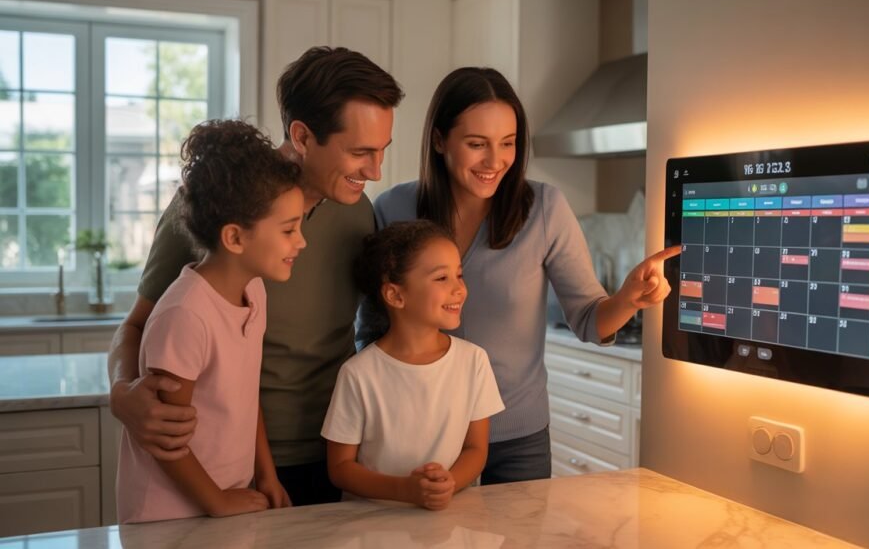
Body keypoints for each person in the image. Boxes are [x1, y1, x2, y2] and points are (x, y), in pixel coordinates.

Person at [108, 47, 404, 506]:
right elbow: (137, 326)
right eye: (360, 152)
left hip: (339, 448)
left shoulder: (359, 212)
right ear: (302, 136)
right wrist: (122, 392)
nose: (375, 170)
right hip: (225, 461)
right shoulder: (216, 209)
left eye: (383, 150)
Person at [361, 67, 678, 484]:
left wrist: (627, 299)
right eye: (477, 144)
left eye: (508, 143)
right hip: (417, 433)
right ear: (439, 140)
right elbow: (372, 330)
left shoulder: (544, 208)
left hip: (515, 441)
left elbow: (589, 319)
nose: (495, 161)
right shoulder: (392, 208)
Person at [117, 120, 306, 523]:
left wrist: (266, 475)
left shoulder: (255, 291)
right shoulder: (185, 314)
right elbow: (167, 437)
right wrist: (216, 501)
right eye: (289, 229)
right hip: (167, 516)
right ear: (235, 238)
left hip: (223, 502)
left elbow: (245, 397)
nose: (301, 241)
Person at [323, 220, 504, 509]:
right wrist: (405, 490)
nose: (459, 289)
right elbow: (341, 468)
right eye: (441, 278)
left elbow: (476, 448)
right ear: (396, 295)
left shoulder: (474, 361)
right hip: (375, 524)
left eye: (459, 275)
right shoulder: (358, 373)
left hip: (450, 519)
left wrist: (448, 484)